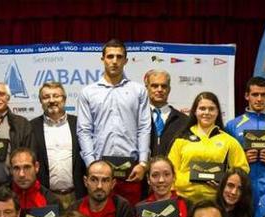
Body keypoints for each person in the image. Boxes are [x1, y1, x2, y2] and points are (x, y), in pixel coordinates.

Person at [77, 39, 150, 207]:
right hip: (100, 175)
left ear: (126, 60)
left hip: (131, 172)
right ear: (102, 59)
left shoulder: (138, 90)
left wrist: (143, 163)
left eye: (119, 57)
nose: (115, 61)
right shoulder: (88, 92)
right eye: (110, 56)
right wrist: (91, 166)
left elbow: (144, 128)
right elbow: (84, 131)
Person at [169, 91, 249, 203]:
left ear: (217, 112)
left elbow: (242, 170)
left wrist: (225, 185)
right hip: (183, 200)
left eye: (211, 109)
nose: (207, 112)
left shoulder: (229, 141)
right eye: (202, 108)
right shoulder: (181, 139)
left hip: (215, 201)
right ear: (195, 112)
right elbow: (170, 170)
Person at [30, 82, 86, 208]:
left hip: (77, 195)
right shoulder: (31, 127)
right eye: (46, 97)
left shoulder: (79, 124)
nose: (51, 100)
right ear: (40, 101)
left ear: (64, 99)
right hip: (46, 197)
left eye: (56, 96)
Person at [71, 160, 135, 217]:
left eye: (105, 180)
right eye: (94, 180)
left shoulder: (123, 207)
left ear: (112, 184)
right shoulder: (74, 209)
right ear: (85, 181)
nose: (99, 186)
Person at [8, 147, 61, 217]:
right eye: (16, 168)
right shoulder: (0, 199)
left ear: (36, 167)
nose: (21, 174)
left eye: (27, 167)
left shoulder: (51, 200)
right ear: (11, 170)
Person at [145, 69, 187, 156]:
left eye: (164, 86)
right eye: (155, 86)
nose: (159, 89)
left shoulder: (184, 120)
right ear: (147, 88)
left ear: (169, 89)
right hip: (143, 168)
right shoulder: (138, 117)